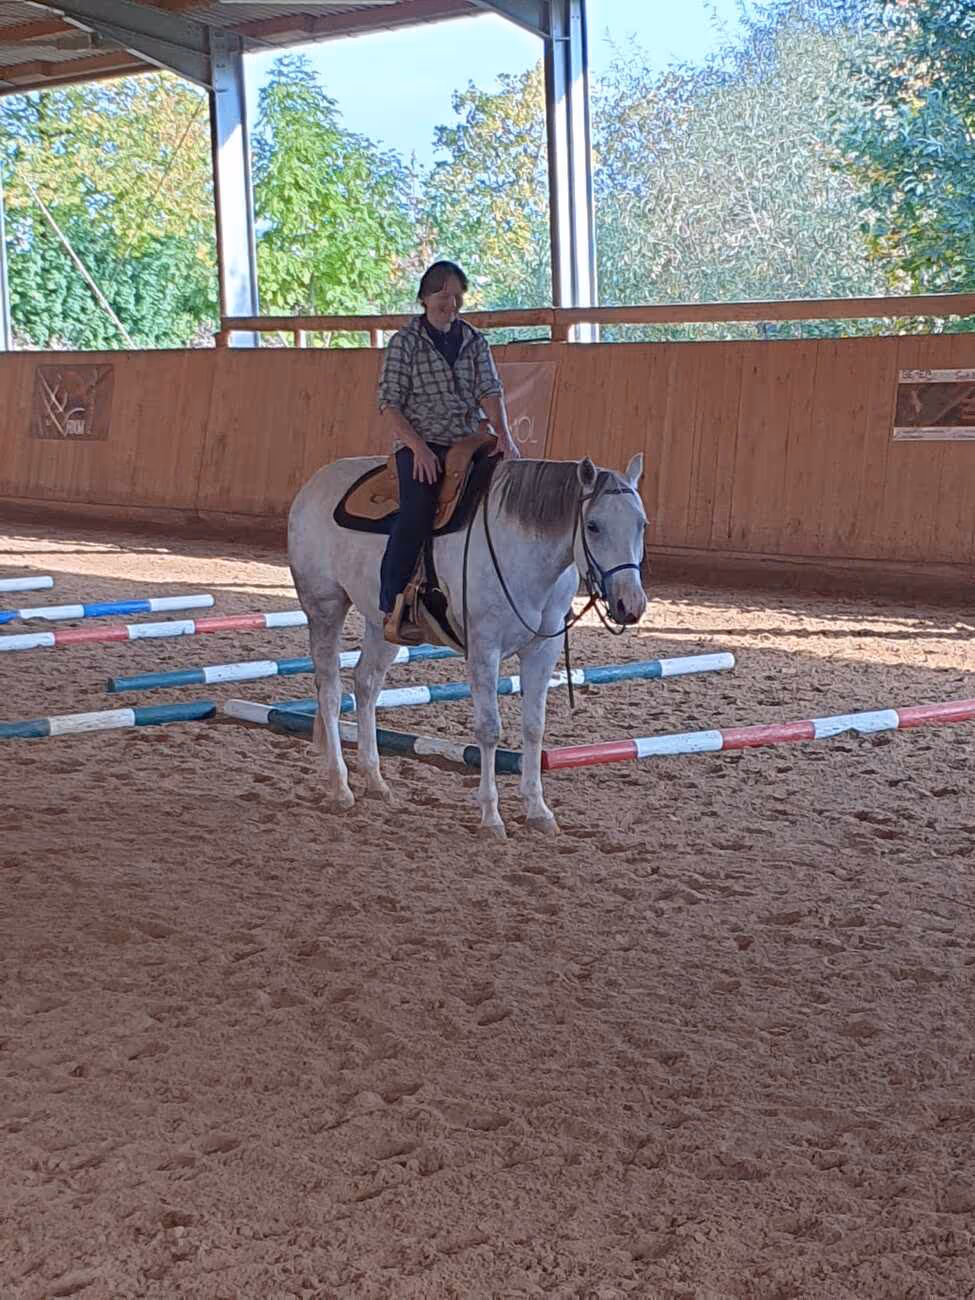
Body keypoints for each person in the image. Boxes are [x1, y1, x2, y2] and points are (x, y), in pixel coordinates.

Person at [376, 259, 520, 634]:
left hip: (469, 437)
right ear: (424, 298)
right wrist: (418, 449)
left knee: (510, 493)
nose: (450, 304)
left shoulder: (473, 341)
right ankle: (393, 603)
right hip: (421, 440)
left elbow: (490, 390)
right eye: (443, 295)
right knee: (417, 508)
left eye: (456, 296)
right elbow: (389, 403)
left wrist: (504, 434)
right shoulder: (404, 343)